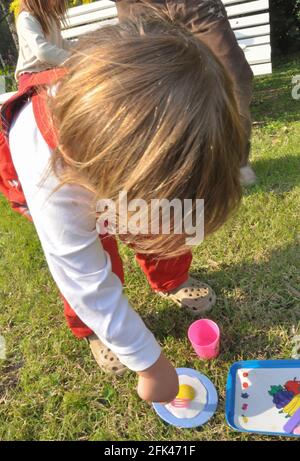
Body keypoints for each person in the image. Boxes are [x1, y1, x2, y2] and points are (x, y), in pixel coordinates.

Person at [0, 12, 244, 403]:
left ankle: (171, 278)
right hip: (56, 180)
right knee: (96, 259)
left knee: (166, 226)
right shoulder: (51, 176)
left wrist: (167, 217)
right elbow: (83, 278)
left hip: (103, 167)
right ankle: (92, 329)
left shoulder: (132, 138)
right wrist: (149, 363)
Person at [114, 0, 256, 185]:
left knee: (235, 77)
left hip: (195, 5)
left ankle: (235, 160)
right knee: (146, 89)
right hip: (137, 5)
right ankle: (166, 170)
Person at [15, 0, 72, 91]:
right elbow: (42, 51)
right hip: (32, 76)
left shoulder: (50, 16)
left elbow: (60, 44)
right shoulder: (26, 18)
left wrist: (85, 44)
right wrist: (73, 60)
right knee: (68, 80)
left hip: (50, 72)